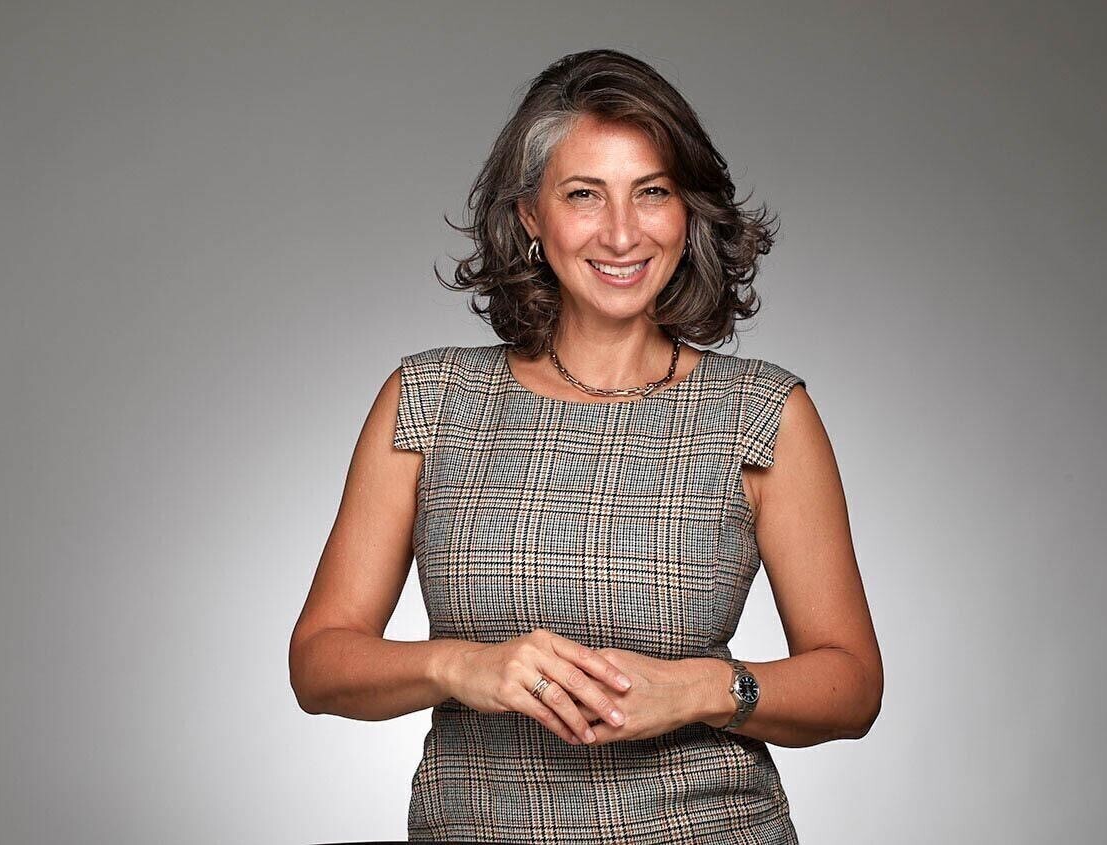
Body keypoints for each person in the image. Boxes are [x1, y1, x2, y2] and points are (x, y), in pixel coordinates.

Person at [289, 48, 882, 844]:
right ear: (531, 214)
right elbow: (319, 663)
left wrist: (701, 689)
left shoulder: (763, 412)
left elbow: (853, 685)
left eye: (653, 192)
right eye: (583, 194)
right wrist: (461, 665)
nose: (622, 233)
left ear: (688, 211)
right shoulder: (428, 400)